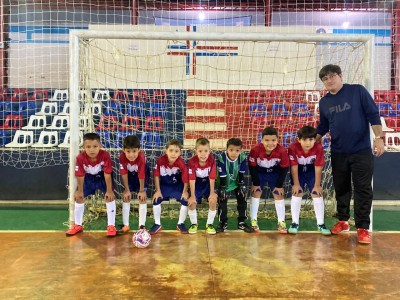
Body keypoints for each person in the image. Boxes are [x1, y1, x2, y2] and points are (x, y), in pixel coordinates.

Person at [317, 64, 385, 244]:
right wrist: (312, 142)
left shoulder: (357, 91)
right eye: (324, 79)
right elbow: (323, 126)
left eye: (331, 76)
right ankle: (343, 221)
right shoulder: (324, 102)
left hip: (361, 151)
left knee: (362, 189)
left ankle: (362, 227)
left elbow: (373, 114)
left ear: (340, 76)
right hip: (338, 152)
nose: (328, 81)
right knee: (341, 188)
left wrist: (379, 137)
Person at [66, 132, 116, 237]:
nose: (91, 149)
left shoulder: (105, 155)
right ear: (83, 147)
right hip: (88, 178)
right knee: (79, 197)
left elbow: (107, 174)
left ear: (100, 146)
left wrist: (109, 190)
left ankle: (111, 226)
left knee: (109, 196)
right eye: (88, 147)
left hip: (102, 177)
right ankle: (78, 225)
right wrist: (79, 191)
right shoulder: (80, 157)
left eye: (95, 146)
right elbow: (80, 175)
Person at [287, 125, 331, 235]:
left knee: (317, 193)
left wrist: (317, 185)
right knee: (297, 193)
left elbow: (318, 167)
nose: (308, 143)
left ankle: (320, 224)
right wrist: (296, 184)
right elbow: (294, 167)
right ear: (298, 140)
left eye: (311, 139)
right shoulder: (293, 147)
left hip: (312, 171)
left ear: (315, 139)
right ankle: (294, 223)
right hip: (299, 172)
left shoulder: (318, 148)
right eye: (304, 140)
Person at [248, 127, 290, 233]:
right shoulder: (255, 150)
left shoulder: (282, 151)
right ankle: (253, 220)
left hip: (274, 173)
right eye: (267, 140)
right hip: (260, 172)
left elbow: (285, 168)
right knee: (256, 192)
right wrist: (256, 183)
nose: (270, 143)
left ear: (277, 140)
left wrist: (279, 185)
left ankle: (281, 222)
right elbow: (252, 167)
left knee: (278, 194)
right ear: (261, 140)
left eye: (273, 140)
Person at [149, 139, 189, 235]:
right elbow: (156, 176)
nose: (173, 154)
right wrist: (158, 190)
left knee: (185, 200)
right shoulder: (160, 161)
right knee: (156, 199)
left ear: (180, 152)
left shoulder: (181, 163)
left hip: (177, 187)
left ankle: (180, 224)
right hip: (164, 186)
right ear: (166, 150)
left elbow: (186, 179)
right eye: (171, 150)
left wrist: (185, 191)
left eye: (176, 151)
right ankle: (157, 224)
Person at [216, 138, 253, 233]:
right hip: (225, 182)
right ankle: (223, 223)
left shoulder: (242, 157)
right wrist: (223, 187)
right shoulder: (222, 157)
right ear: (226, 149)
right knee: (222, 200)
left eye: (237, 150)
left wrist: (241, 184)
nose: (234, 153)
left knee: (242, 197)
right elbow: (222, 173)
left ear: (241, 150)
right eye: (231, 150)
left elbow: (241, 172)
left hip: (236, 182)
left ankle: (242, 222)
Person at [118, 135, 149, 234]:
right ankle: (126, 224)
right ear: (124, 150)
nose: (131, 155)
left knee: (142, 197)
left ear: (139, 150)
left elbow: (141, 174)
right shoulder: (122, 157)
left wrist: (141, 190)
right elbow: (123, 173)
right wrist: (127, 189)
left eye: (134, 151)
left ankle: (142, 225)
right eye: (128, 151)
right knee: (126, 197)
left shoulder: (141, 158)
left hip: (142, 176)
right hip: (129, 175)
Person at [187, 138, 218, 235]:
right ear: (195, 151)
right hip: (196, 184)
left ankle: (209, 224)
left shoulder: (212, 160)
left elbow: (212, 177)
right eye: (200, 151)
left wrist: (212, 192)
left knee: (213, 200)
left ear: (209, 151)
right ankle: (194, 224)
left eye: (206, 151)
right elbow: (192, 179)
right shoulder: (192, 161)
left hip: (208, 184)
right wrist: (192, 195)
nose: (203, 154)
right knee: (191, 202)